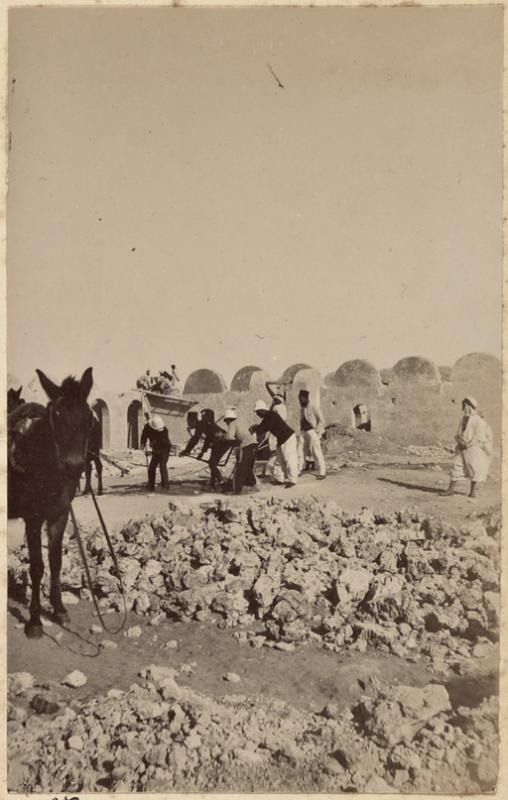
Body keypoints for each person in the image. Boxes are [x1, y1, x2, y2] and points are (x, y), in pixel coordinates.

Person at [441, 397, 493, 500]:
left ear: (470, 406)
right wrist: (459, 441)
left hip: (473, 449)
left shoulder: (479, 421)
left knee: (474, 469)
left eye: (465, 405)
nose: (463, 408)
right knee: (456, 466)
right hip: (461, 448)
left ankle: (472, 492)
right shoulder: (463, 418)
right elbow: (458, 432)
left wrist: (468, 445)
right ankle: (450, 489)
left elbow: (479, 436)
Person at [251, 400, 298, 487]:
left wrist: (256, 429)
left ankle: (293, 480)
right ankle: (280, 479)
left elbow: (265, 428)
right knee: (279, 460)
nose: (257, 414)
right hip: (281, 440)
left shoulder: (272, 415)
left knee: (289, 459)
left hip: (288, 438)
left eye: (257, 412)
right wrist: (255, 428)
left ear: (262, 410)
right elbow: (262, 427)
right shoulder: (267, 417)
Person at [179, 408, 229, 490]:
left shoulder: (201, 425)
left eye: (189, 422)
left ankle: (221, 482)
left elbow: (195, 440)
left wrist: (186, 451)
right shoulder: (204, 425)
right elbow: (208, 439)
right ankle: (213, 483)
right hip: (218, 442)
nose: (188, 424)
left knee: (212, 463)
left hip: (223, 442)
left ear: (193, 421)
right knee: (213, 463)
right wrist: (201, 453)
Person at [223, 408, 258, 494]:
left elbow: (229, 437)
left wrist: (223, 437)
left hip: (246, 445)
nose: (226, 423)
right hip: (253, 444)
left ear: (228, 419)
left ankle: (237, 490)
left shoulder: (232, 423)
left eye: (226, 421)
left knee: (240, 467)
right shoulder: (240, 422)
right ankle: (251, 483)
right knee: (248, 466)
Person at [298, 389, 326, 480]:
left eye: (301, 398)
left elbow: (321, 420)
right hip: (303, 432)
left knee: (316, 451)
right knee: (300, 450)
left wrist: (317, 432)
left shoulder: (314, 406)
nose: (300, 400)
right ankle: (299, 469)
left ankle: (322, 472)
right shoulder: (302, 407)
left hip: (312, 431)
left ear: (306, 398)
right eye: (299, 398)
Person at [140, 414, 171, 492]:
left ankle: (165, 486)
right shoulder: (147, 427)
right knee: (152, 467)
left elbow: (165, 444)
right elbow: (144, 436)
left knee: (162, 465)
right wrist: (143, 443)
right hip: (156, 448)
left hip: (164, 449)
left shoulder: (164, 430)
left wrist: (155, 450)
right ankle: (151, 485)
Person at [82, 411, 104, 495]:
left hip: (94, 447)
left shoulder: (96, 424)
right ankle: (87, 486)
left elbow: (98, 437)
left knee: (98, 465)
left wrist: (95, 449)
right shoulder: (84, 424)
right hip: (87, 447)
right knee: (87, 466)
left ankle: (100, 486)